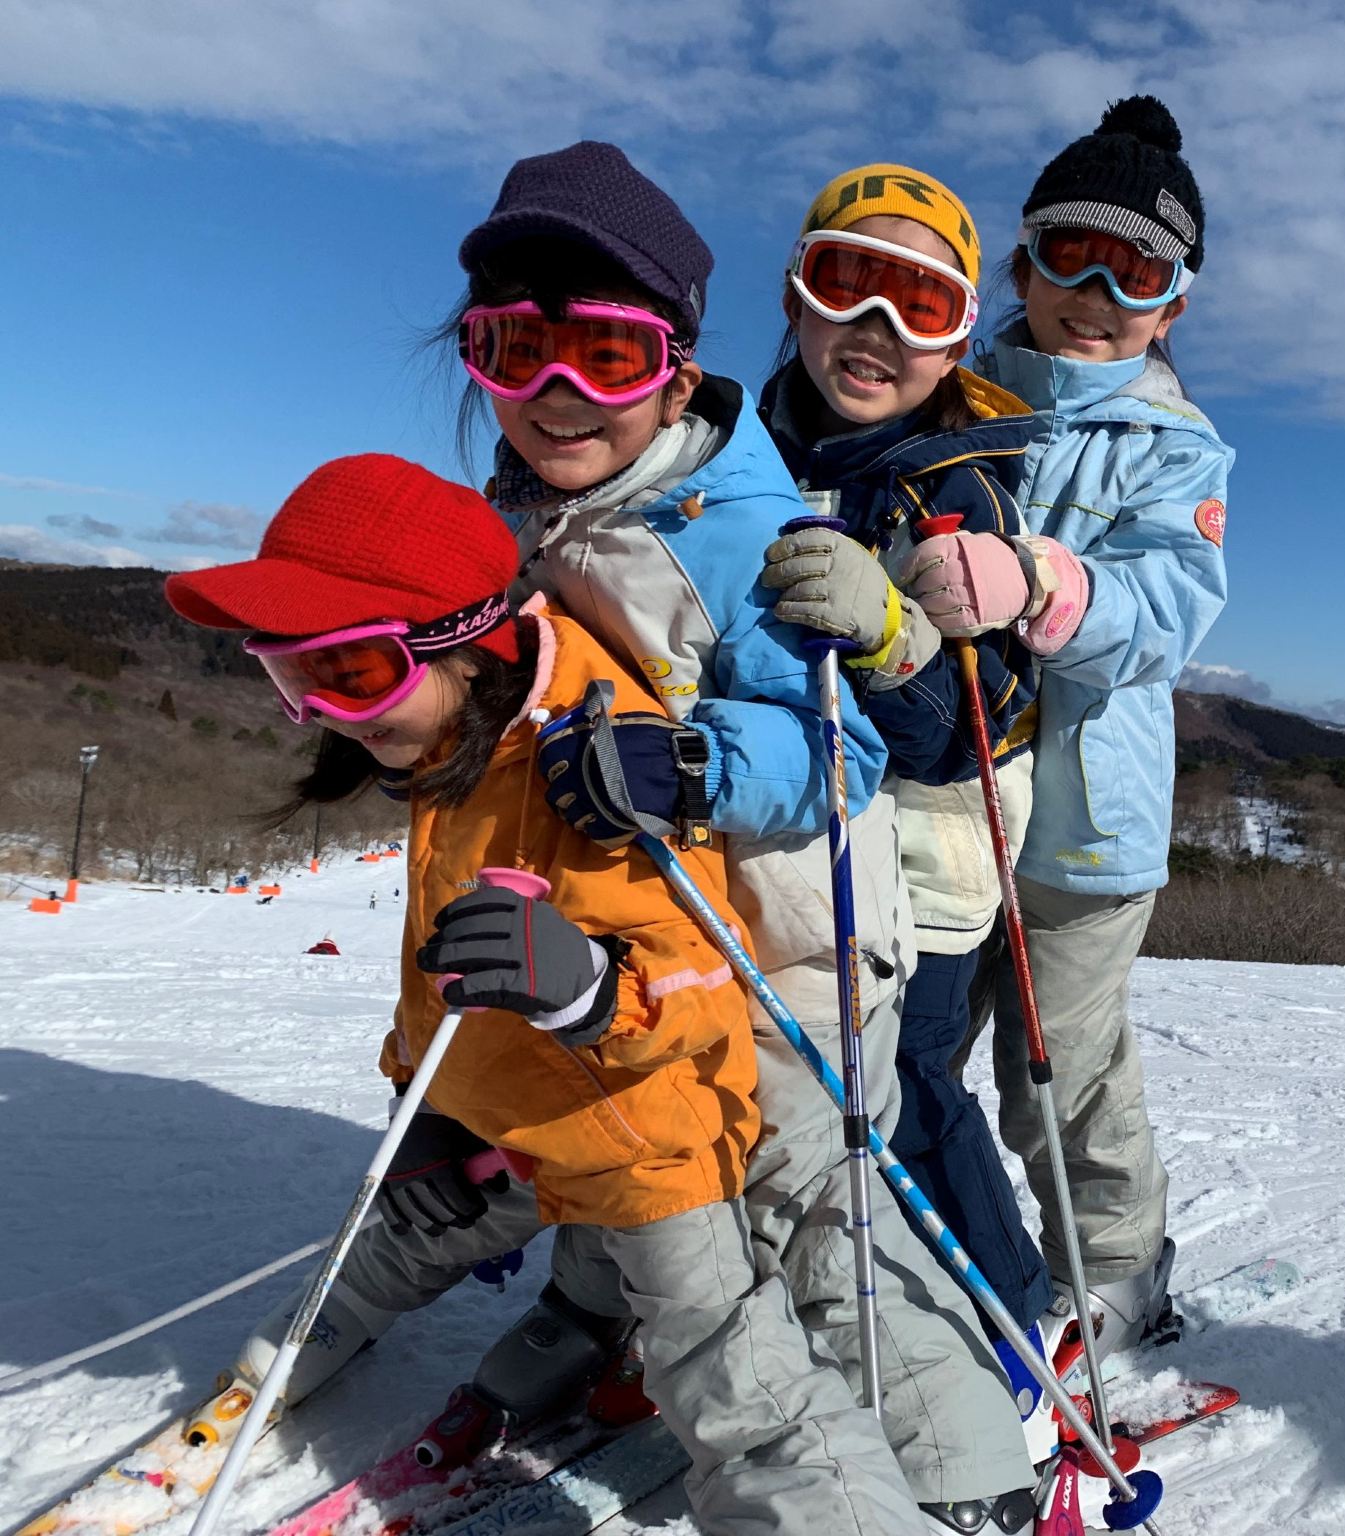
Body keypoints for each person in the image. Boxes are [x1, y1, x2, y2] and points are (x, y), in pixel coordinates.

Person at [166, 454, 929, 1534]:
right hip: (506, 1114)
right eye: (291, 679)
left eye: (353, 672)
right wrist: (421, 1109)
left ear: (462, 643)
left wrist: (588, 992)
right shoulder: (450, 741)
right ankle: (295, 1350)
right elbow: (434, 969)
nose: (327, 714)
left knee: (732, 1386)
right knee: (399, 1228)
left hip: (643, 1139)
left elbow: (708, 982)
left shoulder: (589, 756)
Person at [448, 142, 1032, 1527]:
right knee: (622, 1149)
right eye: (513, 349)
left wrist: (692, 759)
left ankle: (966, 1468)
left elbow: (846, 750)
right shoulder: (529, 508)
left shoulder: (738, 518)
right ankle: (605, 1327)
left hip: (793, 940)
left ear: (674, 358)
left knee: (817, 1215)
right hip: (641, 936)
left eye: (604, 352)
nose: (555, 392)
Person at [757, 164, 1057, 1382]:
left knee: (908, 1078)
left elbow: (966, 732)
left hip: (929, 834)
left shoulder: (955, 482)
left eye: (919, 303)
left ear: (958, 337)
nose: (876, 330)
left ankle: (1007, 1324)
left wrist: (897, 638)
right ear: (795, 293)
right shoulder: (745, 447)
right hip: (791, 820)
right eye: (848, 283)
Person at [949, 96, 1232, 1358]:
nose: (1096, 290)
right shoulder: (945, 393)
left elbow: (1171, 608)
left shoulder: (1175, 447)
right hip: (936, 802)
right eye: (1070, 252)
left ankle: (1115, 1268)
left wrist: (1044, 585)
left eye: (1138, 269)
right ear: (1020, 265)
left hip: (1079, 825)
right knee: (897, 1050)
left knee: (1054, 1075)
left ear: (1172, 304)